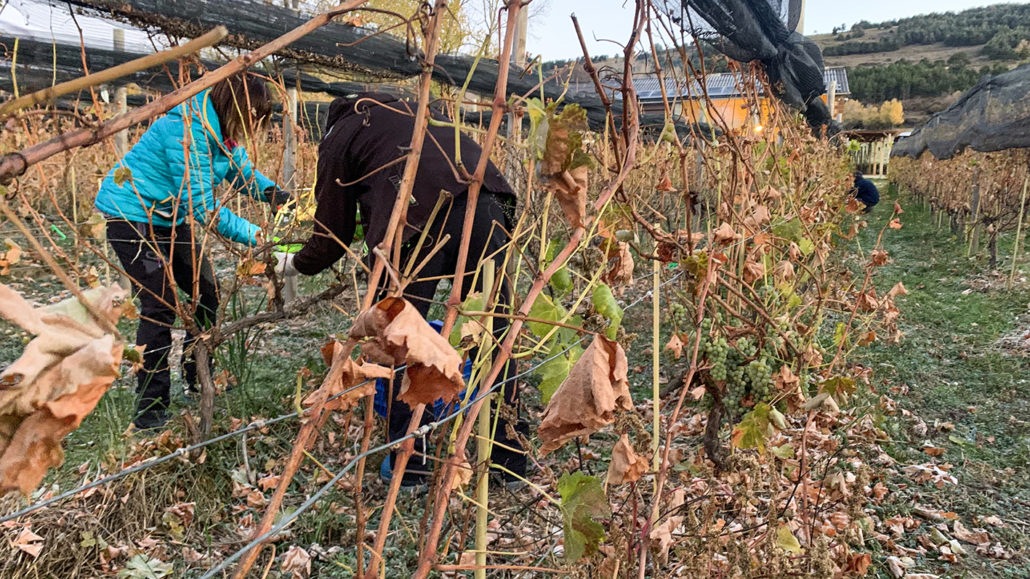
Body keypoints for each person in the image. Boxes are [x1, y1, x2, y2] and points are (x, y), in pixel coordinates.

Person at [277, 92, 527, 486]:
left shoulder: (341, 133)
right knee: (496, 330)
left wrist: (294, 263)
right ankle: (511, 461)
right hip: (491, 205)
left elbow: (330, 233)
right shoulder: (414, 108)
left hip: (419, 218)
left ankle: (408, 465)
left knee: (402, 338)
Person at [95, 73, 288, 430]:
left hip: (169, 217)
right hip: (132, 215)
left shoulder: (224, 136)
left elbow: (242, 172)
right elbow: (202, 206)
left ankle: (197, 375)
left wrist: (276, 195)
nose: (255, 127)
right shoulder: (187, 130)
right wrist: (255, 234)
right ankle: (150, 408)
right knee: (160, 305)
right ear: (238, 110)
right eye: (254, 118)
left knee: (206, 291)